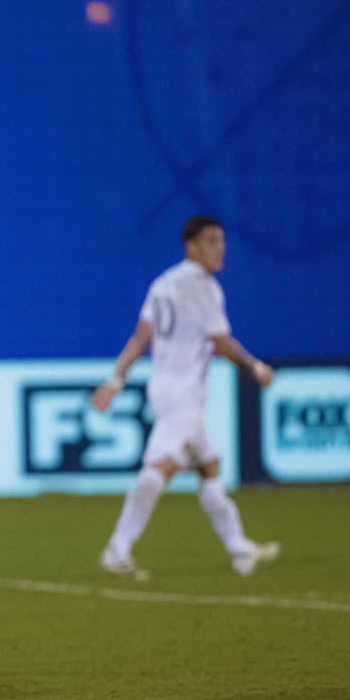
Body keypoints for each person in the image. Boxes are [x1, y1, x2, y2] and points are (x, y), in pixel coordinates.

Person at [90, 215, 279, 579]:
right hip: (185, 393)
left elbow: (140, 337)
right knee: (159, 468)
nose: (220, 248)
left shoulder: (162, 283)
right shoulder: (203, 287)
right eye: (211, 240)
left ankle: (240, 549)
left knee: (209, 466)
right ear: (190, 245)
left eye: (222, 240)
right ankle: (117, 548)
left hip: (164, 385)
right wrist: (255, 366)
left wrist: (116, 379)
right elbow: (221, 343)